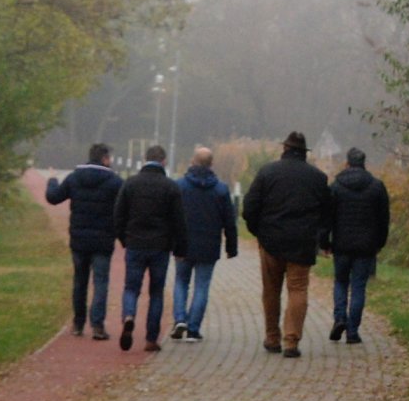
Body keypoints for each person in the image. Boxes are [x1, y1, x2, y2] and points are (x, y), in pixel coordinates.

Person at [241, 130, 332, 357]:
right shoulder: (318, 178)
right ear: (304, 153)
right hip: (302, 243)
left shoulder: (267, 172)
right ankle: (291, 342)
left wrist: (258, 232)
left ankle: (272, 338)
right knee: (298, 289)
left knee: (271, 290)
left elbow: (250, 207)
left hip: (271, 240)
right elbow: (327, 213)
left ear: (285, 149)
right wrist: (319, 238)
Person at [113, 143, 187, 352]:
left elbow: (118, 215)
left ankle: (129, 315)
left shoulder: (130, 184)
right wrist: (180, 248)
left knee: (131, 287)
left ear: (145, 159)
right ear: (163, 161)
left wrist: (124, 238)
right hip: (160, 247)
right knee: (156, 292)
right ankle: (151, 339)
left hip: (135, 244)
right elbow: (179, 221)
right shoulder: (170, 187)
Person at [44, 143, 122, 340]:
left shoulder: (74, 178)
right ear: (104, 159)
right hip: (103, 240)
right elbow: (124, 206)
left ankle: (78, 324)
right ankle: (97, 326)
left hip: (79, 240)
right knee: (101, 281)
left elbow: (53, 198)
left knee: (80, 281)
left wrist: (52, 179)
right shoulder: (114, 182)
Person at [171, 146, 238, 341]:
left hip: (183, 243)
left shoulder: (180, 186)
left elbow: (173, 216)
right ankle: (193, 329)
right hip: (209, 245)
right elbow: (229, 221)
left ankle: (179, 319)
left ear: (193, 161)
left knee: (181, 281)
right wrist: (231, 247)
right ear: (211, 164)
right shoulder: (221, 190)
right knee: (202, 286)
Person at [326, 146, 391, 344]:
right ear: (364, 164)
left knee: (340, 282)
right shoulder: (377, 187)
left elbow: (327, 217)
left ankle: (339, 318)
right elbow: (383, 219)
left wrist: (324, 242)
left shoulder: (336, 187)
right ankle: (353, 332)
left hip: (341, 245)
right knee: (359, 286)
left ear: (347, 163)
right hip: (366, 247)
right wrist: (379, 243)